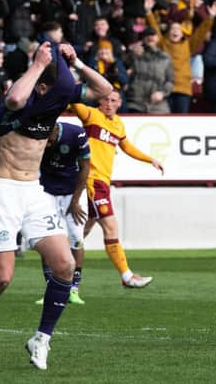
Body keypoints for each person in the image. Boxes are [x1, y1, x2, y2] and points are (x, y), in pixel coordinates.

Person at [0, 41, 112, 370]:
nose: (58, 98)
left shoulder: (57, 101)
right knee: (2, 279)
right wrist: (38, 63)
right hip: (2, 192)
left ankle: (41, 339)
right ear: (41, 86)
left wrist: (77, 61)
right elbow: (13, 98)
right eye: (51, 90)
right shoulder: (17, 103)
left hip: (34, 192)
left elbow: (104, 89)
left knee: (65, 266)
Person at [69, 90, 163, 288]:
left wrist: (150, 159)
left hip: (103, 182)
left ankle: (63, 274)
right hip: (92, 181)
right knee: (110, 227)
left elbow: (127, 147)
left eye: (113, 100)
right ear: (99, 100)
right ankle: (127, 276)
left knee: (79, 233)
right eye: (105, 99)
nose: (109, 103)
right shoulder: (91, 114)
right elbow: (71, 102)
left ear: (120, 103)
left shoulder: (118, 123)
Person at [36, 121, 91, 305]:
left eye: (49, 140)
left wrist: (75, 201)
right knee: (47, 239)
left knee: (76, 238)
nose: (47, 144)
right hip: (48, 191)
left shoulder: (76, 134)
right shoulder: (37, 136)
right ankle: (51, 290)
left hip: (72, 192)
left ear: (56, 130)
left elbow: (85, 167)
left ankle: (74, 289)